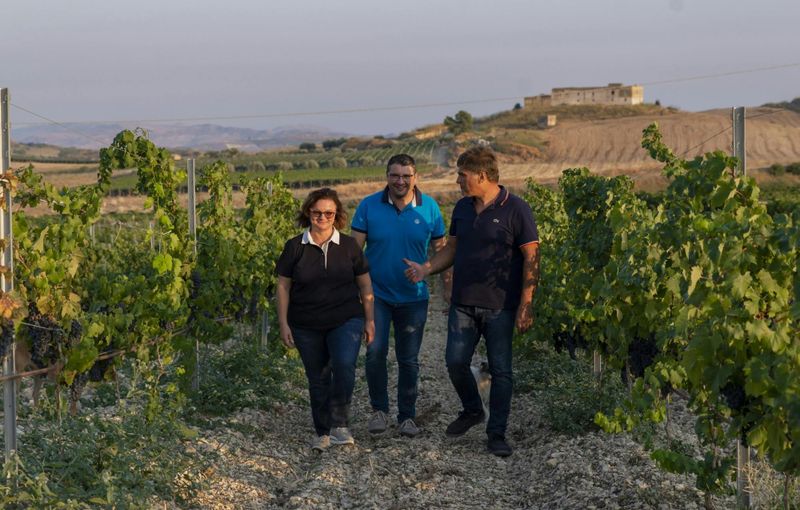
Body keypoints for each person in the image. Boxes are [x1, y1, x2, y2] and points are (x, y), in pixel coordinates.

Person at [404, 146, 540, 457]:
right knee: (454, 362)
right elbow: (452, 248)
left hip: (501, 304)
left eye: (461, 175)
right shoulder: (463, 209)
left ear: (482, 175)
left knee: (502, 370)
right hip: (464, 302)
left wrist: (526, 302)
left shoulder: (516, 209)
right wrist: (426, 268)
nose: (457, 181)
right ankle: (472, 409)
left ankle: (497, 434)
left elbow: (532, 257)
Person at [351, 154, 448, 438]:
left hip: (414, 297)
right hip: (375, 295)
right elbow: (355, 254)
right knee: (374, 352)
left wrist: (428, 272)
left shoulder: (429, 208)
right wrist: (355, 293)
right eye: (395, 175)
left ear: (415, 177)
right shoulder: (368, 206)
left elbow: (442, 251)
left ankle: (407, 416)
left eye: (406, 176)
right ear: (387, 176)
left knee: (409, 359)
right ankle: (379, 411)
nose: (400, 181)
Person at [276, 188, 375, 452]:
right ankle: (323, 430)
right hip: (305, 323)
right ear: (308, 212)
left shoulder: (350, 247)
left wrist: (369, 320)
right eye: (317, 212)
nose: (322, 217)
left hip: (346, 318)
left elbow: (365, 285)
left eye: (328, 213)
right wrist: (284, 323)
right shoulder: (295, 247)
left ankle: (340, 424)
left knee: (344, 365)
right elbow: (283, 287)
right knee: (318, 376)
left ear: (337, 215)